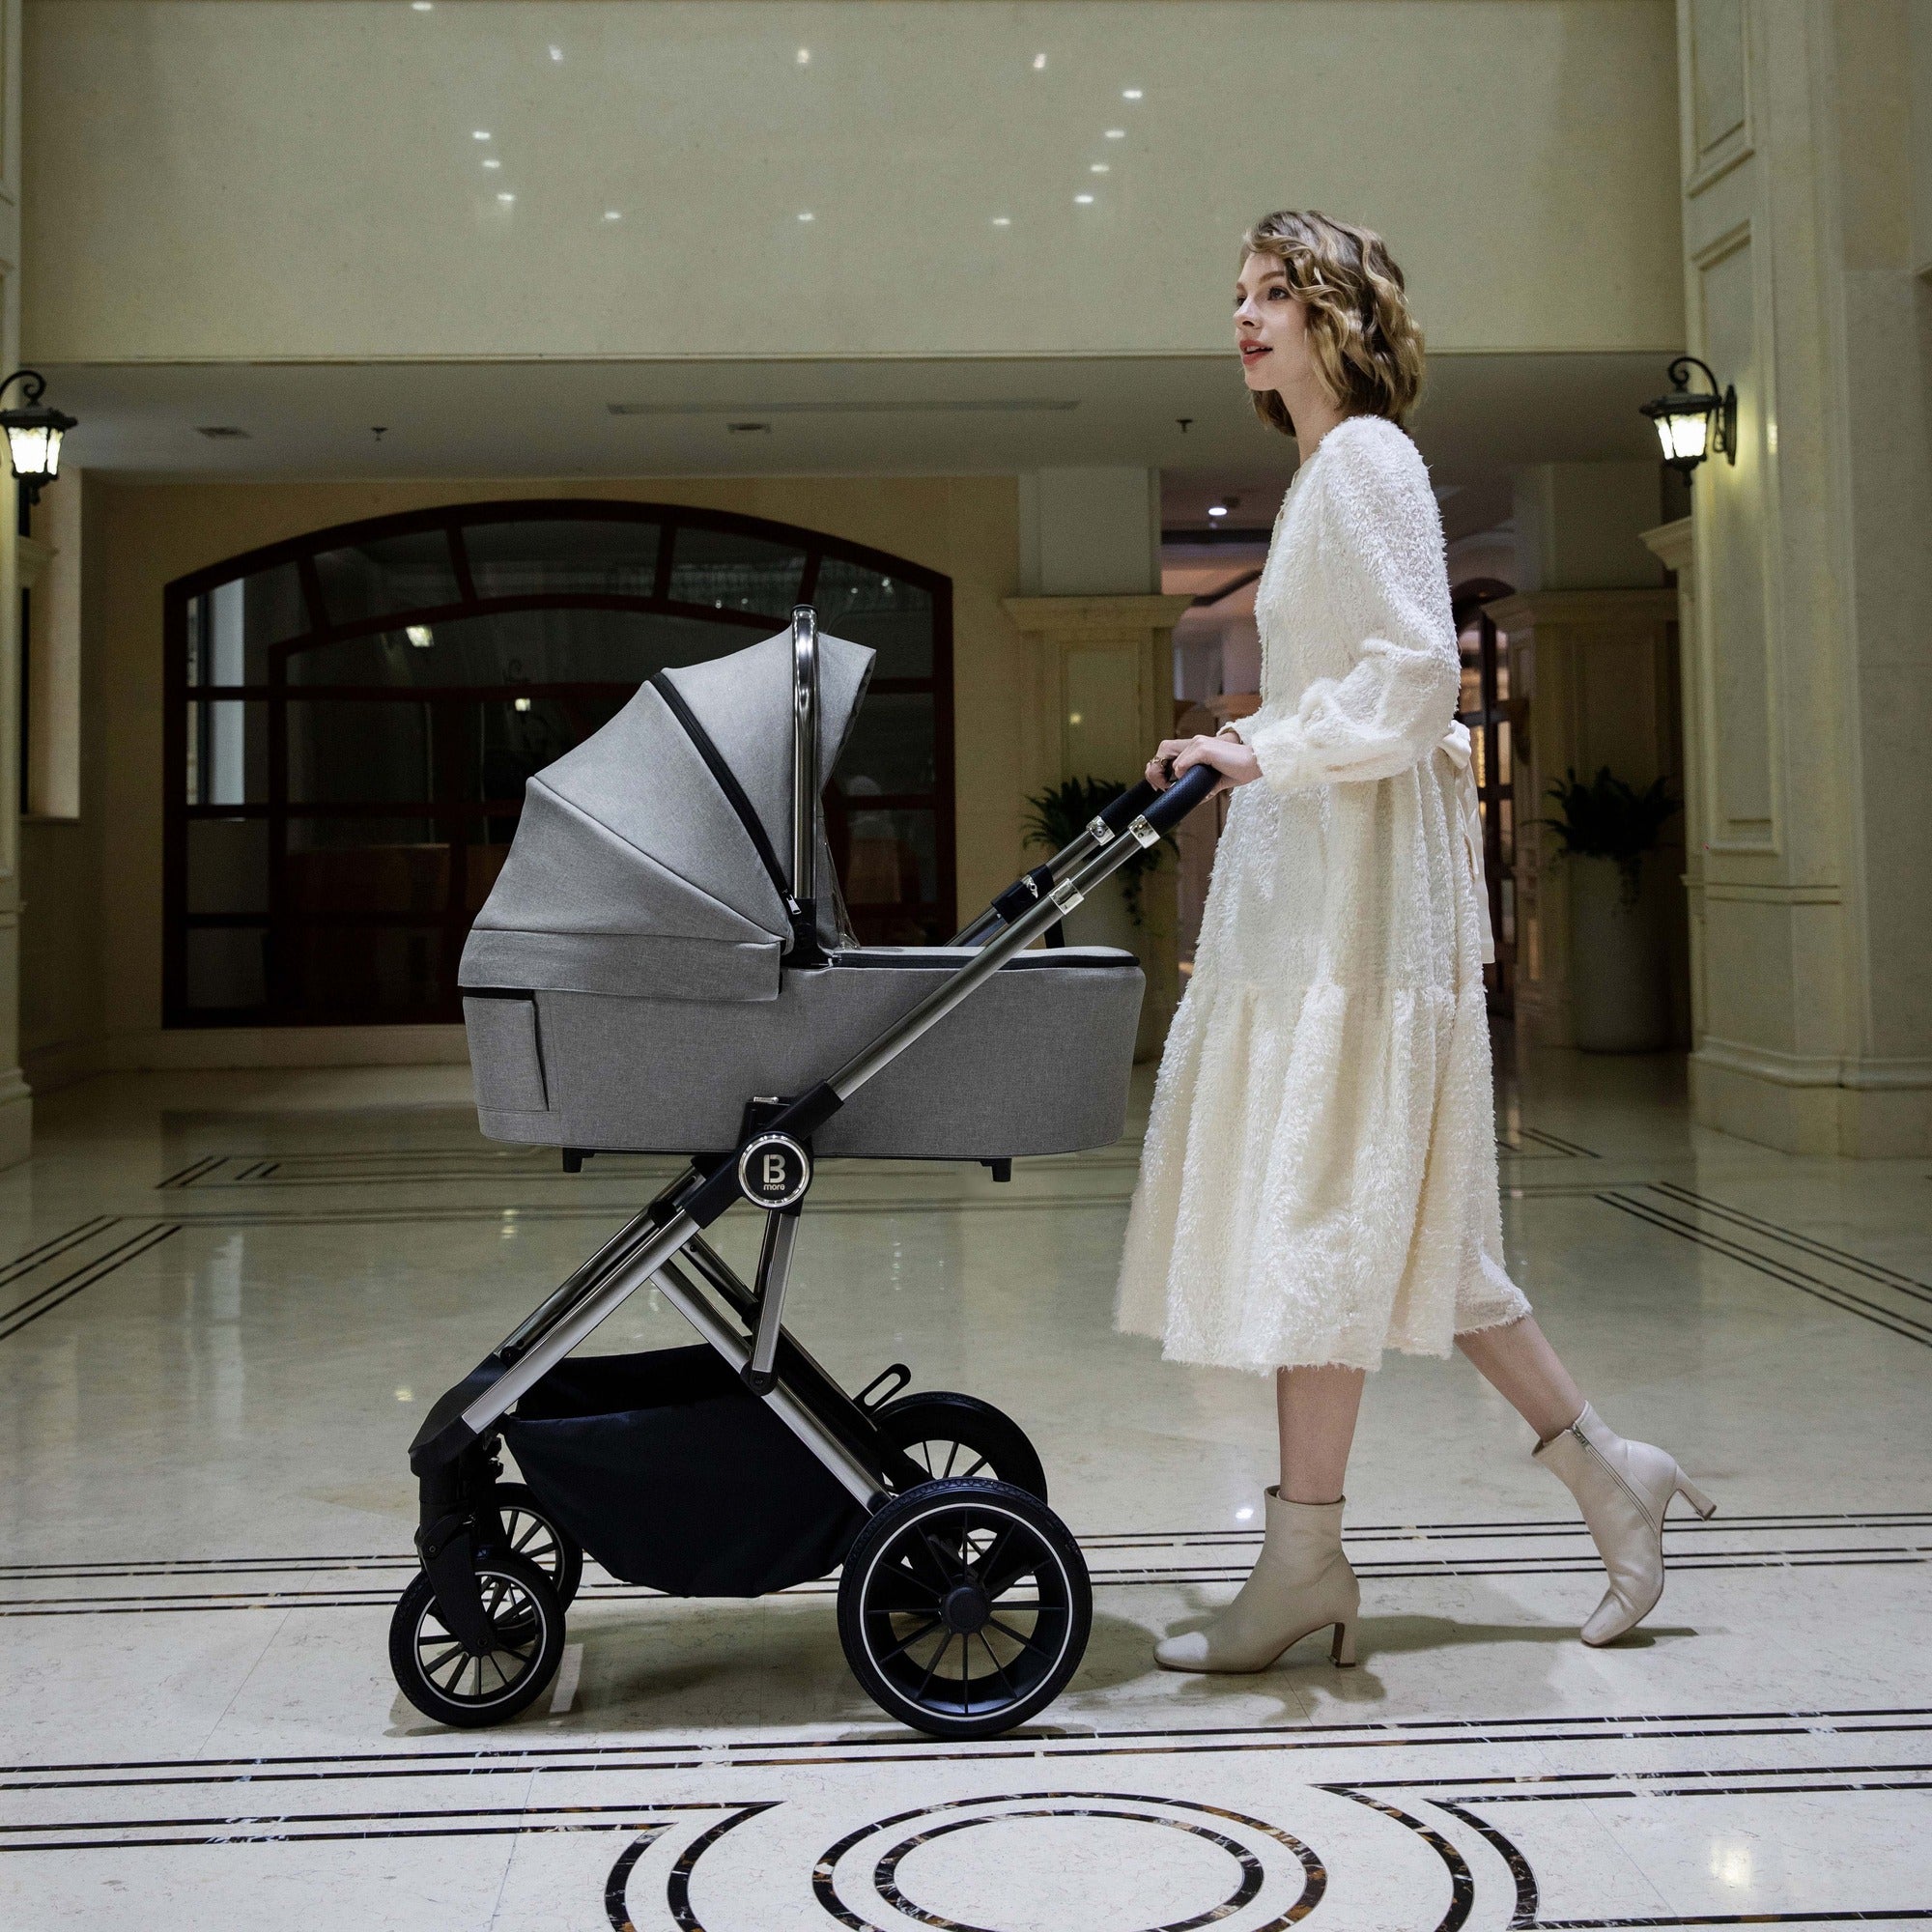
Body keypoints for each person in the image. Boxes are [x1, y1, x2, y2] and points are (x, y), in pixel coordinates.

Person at [1117, 209, 1713, 1674]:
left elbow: (1415, 673)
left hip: (1360, 896)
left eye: (1275, 292)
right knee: (1407, 1234)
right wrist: (1239, 736)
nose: (1245, 316)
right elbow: (1349, 681)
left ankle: (1303, 1562)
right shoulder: (1324, 470)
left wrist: (1266, 750)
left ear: (1339, 315)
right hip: (1325, 877)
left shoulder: (1367, 460)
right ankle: (1605, 1472)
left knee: (1330, 1215)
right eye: (1240, 293)